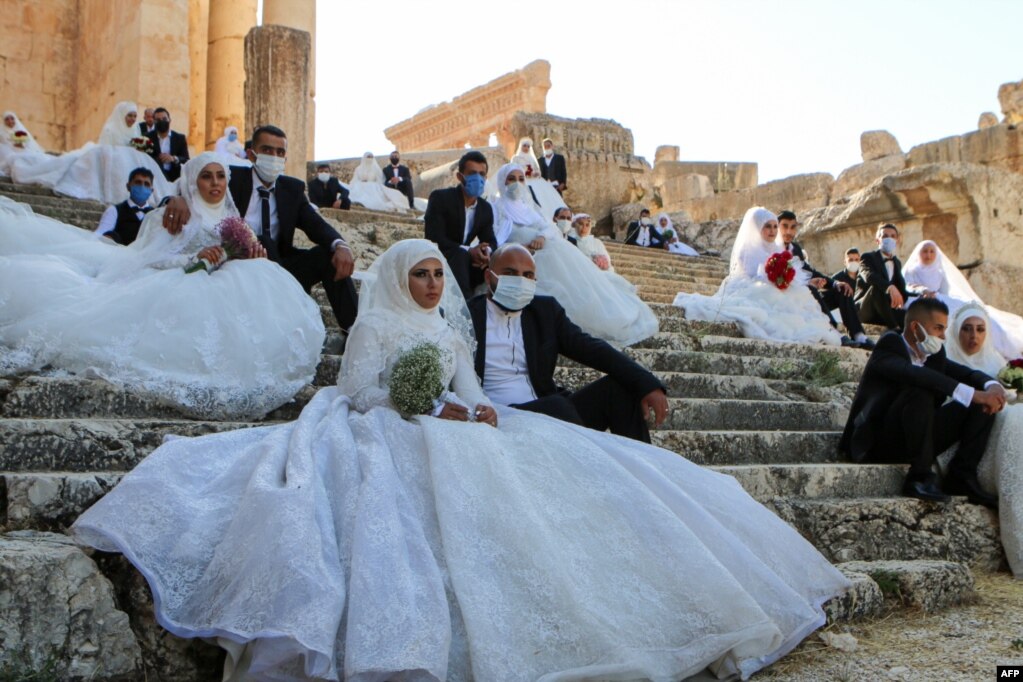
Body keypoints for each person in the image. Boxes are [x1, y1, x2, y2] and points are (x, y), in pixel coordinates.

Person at [72, 238, 851, 682]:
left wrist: (474, 406)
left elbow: (470, 382)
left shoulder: (448, 330)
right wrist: (432, 407)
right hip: (389, 429)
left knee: (558, 469)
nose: (429, 281)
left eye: (437, 272)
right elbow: (362, 391)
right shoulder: (375, 325)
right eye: (419, 272)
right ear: (396, 277)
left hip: (462, 423)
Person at [0, 152, 325, 419]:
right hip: (182, 285)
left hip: (230, 289)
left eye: (220, 176)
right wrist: (192, 259)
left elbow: (248, 252)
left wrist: (252, 254)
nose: (215, 183)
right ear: (193, 180)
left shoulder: (235, 222)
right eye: (206, 176)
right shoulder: (175, 214)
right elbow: (150, 258)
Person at [162, 125, 358, 333]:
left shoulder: (292, 189)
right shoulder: (231, 179)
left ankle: (355, 330)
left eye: (280, 152)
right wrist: (176, 198)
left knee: (329, 255)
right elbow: (196, 183)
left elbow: (315, 224)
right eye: (267, 150)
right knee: (261, 240)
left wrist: (340, 245)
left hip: (281, 267)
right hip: (238, 268)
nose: (274, 157)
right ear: (251, 155)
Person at [471, 241, 664, 439]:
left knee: (619, 389)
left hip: (553, 411)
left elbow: (591, 348)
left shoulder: (545, 311)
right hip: (501, 416)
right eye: (510, 273)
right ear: (489, 276)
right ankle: (590, 460)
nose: (520, 281)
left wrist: (647, 383)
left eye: (527, 275)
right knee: (557, 406)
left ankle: (637, 465)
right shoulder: (467, 317)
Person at [840, 297, 1005, 506]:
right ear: (916, 327)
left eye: (944, 329)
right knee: (920, 390)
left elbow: (964, 373)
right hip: (879, 440)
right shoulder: (889, 345)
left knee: (980, 403)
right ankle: (919, 477)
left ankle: (961, 477)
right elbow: (913, 374)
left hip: (918, 435)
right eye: (938, 328)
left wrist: (991, 386)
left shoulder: (933, 352)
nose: (943, 336)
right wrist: (971, 393)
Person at [494, 163, 658, 347]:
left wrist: (541, 237)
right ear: (503, 181)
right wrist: (519, 248)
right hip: (521, 258)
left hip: (546, 250)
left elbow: (546, 226)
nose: (517, 183)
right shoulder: (495, 207)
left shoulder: (528, 208)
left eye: (521, 179)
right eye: (511, 179)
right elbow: (495, 236)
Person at [674, 207, 842, 346]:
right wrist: (774, 279)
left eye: (775, 227)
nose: (772, 231)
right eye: (767, 226)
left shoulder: (777, 249)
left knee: (802, 294)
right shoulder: (746, 250)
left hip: (774, 287)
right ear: (758, 228)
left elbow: (791, 274)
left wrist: (790, 279)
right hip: (751, 287)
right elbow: (752, 276)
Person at [945, 302, 1023, 575]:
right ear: (956, 331)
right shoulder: (946, 357)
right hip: (959, 434)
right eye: (966, 329)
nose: (973, 337)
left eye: (980, 330)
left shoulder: (996, 363)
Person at [9, 101, 173, 204]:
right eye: (129, 115)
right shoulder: (110, 129)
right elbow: (106, 145)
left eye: (134, 116)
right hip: (112, 155)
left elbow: (134, 142)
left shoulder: (135, 129)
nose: (131, 119)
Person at [903, 239, 1023, 360]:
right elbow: (907, 287)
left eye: (931, 252)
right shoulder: (911, 270)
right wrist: (922, 291)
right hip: (919, 301)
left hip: (940, 299)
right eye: (924, 251)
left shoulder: (940, 272)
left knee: (973, 311)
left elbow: (945, 290)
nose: (928, 255)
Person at [776, 210, 871, 349]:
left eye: (793, 227)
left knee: (842, 289)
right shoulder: (771, 248)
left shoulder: (795, 248)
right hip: (789, 296)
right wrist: (808, 283)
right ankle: (834, 332)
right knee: (810, 289)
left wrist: (835, 283)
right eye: (785, 226)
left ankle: (858, 335)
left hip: (807, 295)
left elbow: (809, 271)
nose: (789, 231)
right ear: (777, 226)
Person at [423, 150, 497, 299]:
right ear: (460, 176)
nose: (478, 178)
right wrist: (469, 251)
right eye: (472, 173)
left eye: (482, 174)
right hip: (443, 255)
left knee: (497, 262)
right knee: (460, 256)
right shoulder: (441, 198)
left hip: (468, 263)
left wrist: (486, 252)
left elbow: (490, 239)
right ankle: (466, 306)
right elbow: (434, 236)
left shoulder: (485, 208)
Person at [854, 223, 912, 331]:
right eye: (885, 236)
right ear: (877, 240)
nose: (889, 239)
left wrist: (920, 296)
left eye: (892, 236)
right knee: (877, 287)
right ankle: (894, 328)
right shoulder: (867, 257)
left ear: (897, 240)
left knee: (912, 317)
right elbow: (868, 276)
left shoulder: (897, 263)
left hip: (884, 310)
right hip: (865, 309)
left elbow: (901, 291)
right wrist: (890, 287)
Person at [508, 136, 566, 220]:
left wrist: (536, 173)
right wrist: (525, 173)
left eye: (528, 146)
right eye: (524, 146)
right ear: (521, 146)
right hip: (523, 181)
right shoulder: (515, 158)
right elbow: (513, 170)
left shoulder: (532, 158)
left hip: (536, 182)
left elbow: (537, 169)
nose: (526, 148)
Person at [94, 167, 156, 244]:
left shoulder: (156, 214)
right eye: (138, 182)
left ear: (151, 190)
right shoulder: (114, 210)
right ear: (128, 186)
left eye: (146, 184)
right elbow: (100, 235)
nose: (142, 187)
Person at [145, 107, 190, 182]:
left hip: (174, 179)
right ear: (154, 122)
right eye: (158, 120)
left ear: (169, 120)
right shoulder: (147, 138)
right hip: (154, 178)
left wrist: (173, 158)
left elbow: (186, 159)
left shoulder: (179, 138)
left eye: (164, 119)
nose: (162, 121)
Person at [0, 111, 46, 177]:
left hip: (22, 150)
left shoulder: (21, 130)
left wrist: (22, 144)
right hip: (8, 152)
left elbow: (29, 143)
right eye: (7, 119)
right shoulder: (1, 131)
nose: (10, 121)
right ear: (4, 121)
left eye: (12, 118)